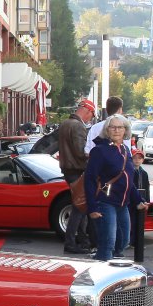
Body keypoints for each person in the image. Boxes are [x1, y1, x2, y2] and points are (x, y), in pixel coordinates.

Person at [83, 114, 136, 261]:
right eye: (112, 127)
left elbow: (128, 178)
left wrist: (138, 199)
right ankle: (102, 266)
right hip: (105, 201)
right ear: (107, 130)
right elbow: (89, 179)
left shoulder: (125, 149)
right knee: (108, 243)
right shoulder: (100, 151)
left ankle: (110, 264)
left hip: (122, 203)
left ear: (125, 130)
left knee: (123, 241)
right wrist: (92, 207)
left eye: (120, 127)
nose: (116, 130)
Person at [57, 99, 96, 254]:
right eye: (92, 115)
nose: (90, 118)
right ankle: (71, 242)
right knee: (79, 207)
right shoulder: (78, 126)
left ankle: (82, 240)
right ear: (88, 111)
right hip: (77, 170)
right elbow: (81, 151)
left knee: (79, 206)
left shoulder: (65, 124)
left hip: (68, 169)